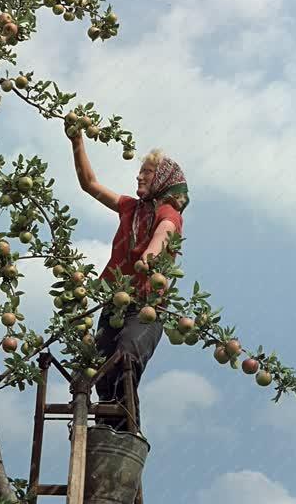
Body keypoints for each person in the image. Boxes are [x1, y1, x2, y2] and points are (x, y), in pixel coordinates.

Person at [68, 126, 190, 432]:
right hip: (116, 304)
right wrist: (76, 141)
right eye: (140, 172)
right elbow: (90, 184)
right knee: (100, 369)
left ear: (161, 178)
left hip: (145, 306)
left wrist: (150, 254)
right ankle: (107, 433)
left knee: (126, 357)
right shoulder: (129, 208)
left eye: (147, 172)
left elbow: (164, 233)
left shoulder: (168, 213)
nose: (139, 177)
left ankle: (126, 432)